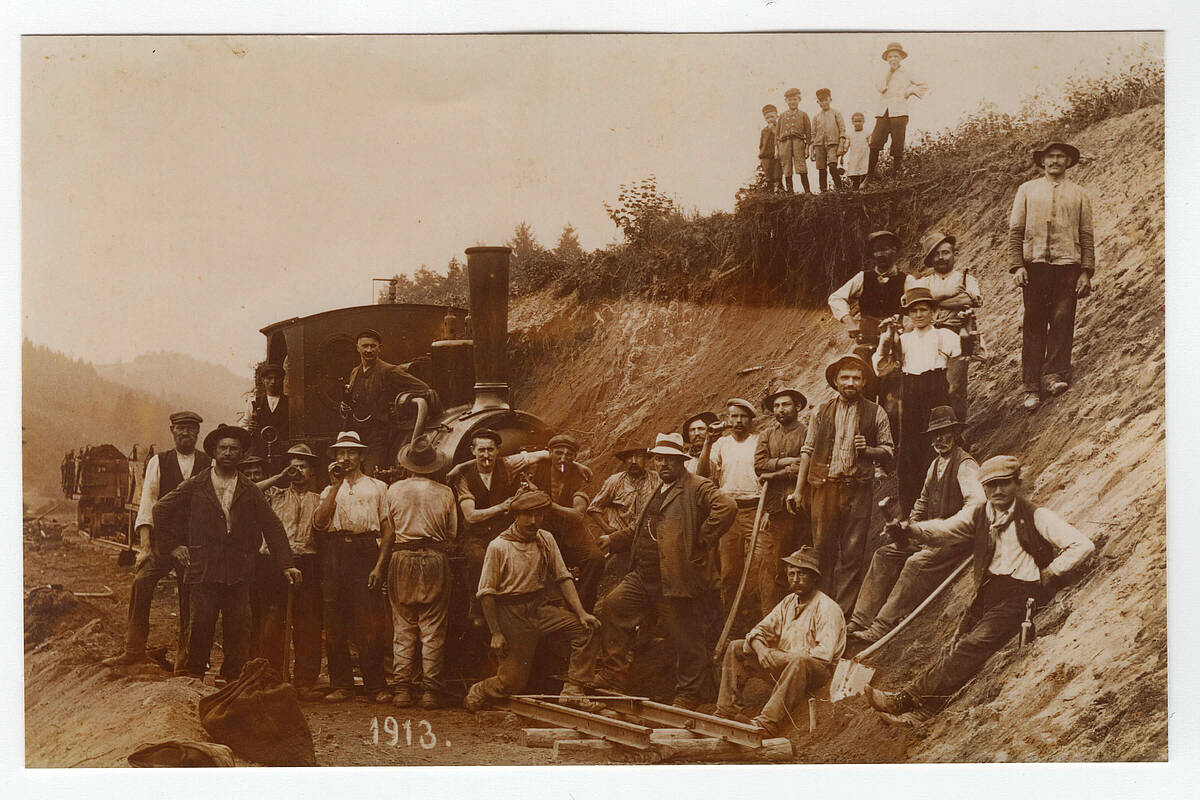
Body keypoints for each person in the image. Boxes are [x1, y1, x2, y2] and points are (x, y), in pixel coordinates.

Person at [866, 455, 1094, 723]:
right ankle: (923, 713)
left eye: (1004, 484)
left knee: (972, 645)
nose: (998, 491)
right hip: (988, 590)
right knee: (957, 644)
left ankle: (904, 699)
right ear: (983, 488)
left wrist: (1051, 572)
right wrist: (911, 530)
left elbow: (1082, 545)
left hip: (1023, 594)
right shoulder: (980, 514)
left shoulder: (1036, 515)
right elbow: (944, 530)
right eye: (991, 485)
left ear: (1016, 483)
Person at [593, 433, 736, 708]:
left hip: (675, 578)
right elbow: (640, 526)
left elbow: (727, 507)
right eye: (659, 459)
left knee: (685, 634)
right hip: (643, 575)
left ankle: (689, 692)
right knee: (613, 605)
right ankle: (614, 674)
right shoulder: (658, 490)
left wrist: (701, 538)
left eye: (670, 460)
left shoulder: (696, 486)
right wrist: (614, 539)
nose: (663, 465)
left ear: (681, 462)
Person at [152, 424, 300, 683]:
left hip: (239, 572)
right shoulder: (196, 484)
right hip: (204, 570)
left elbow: (272, 525)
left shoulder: (249, 489)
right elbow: (161, 510)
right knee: (200, 626)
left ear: (241, 454)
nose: (228, 453)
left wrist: (286, 563)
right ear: (213, 452)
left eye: (234, 449)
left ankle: (232, 679)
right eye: (223, 448)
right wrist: (173, 546)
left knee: (238, 628)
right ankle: (193, 677)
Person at [847, 407, 983, 644]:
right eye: (935, 435)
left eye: (945, 433)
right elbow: (922, 502)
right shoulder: (936, 464)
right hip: (930, 536)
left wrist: (938, 530)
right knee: (885, 554)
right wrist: (908, 526)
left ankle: (881, 626)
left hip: (957, 539)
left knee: (915, 563)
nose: (940, 439)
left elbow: (976, 508)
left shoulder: (965, 465)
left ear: (956, 433)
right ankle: (859, 620)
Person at [464, 491, 604, 713]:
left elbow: (562, 577)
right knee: (512, 683)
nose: (533, 521)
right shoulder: (499, 546)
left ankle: (573, 691)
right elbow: (486, 594)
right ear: (515, 516)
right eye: (527, 516)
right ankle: (481, 689)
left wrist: (581, 612)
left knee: (586, 630)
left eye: (538, 516)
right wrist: (496, 633)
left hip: (539, 608)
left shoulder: (545, 538)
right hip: (511, 613)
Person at [786, 354, 894, 616]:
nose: (850, 382)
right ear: (835, 381)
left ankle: (840, 614)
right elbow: (807, 450)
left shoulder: (875, 411)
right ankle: (817, 610)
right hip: (824, 490)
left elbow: (889, 451)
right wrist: (799, 490)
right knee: (822, 550)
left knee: (852, 554)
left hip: (858, 490)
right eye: (845, 377)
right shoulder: (821, 411)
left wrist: (868, 450)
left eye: (856, 378)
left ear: (864, 382)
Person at [103, 411, 211, 668]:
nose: (186, 434)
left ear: (197, 433)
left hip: (195, 546)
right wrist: (146, 547)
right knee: (141, 582)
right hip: (164, 543)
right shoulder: (159, 462)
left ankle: (186, 662)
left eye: (191, 429)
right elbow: (148, 504)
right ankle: (134, 650)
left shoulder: (209, 463)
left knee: (191, 600)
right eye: (181, 429)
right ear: (172, 431)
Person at [715, 547, 845, 736]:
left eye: (802, 574)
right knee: (736, 647)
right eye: (791, 573)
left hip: (816, 673)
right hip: (786, 666)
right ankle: (726, 711)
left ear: (815, 578)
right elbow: (758, 631)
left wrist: (778, 655)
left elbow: (823, 656)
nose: (795, 578)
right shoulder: (788, 602)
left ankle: (767, 722)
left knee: (799, 661)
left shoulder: (826, 607)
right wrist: (761, 651)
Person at [1008, 141, 1095, 411]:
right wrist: (1017, 266)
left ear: (1068, 162)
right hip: (1035, 267)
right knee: (1034, 324)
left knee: (1062, 319)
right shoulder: (1027, 190)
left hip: (1067, 266)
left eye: (1061, 157)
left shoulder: (1080, 194)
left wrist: (1086, 272)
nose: (1055, 161)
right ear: (1042, 161)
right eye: (1050, 157)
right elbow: (1016, 231)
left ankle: (1055, 375)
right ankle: (1031, 386)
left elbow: (1086, 235)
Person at [312, 430, 394, 703]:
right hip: (335, 552)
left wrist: (379, 567)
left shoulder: (378, 487)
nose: (346, 458)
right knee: (334, 622)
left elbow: (387, 529)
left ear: (361, 456)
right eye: (341, 453)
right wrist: (334, 485)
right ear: (335, 458)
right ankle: (343, 685)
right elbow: (320, 523)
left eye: (351, 452)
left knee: (369, 622)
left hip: (366, 550)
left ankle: (376, 686)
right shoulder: (327, 490)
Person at [450, 429, 562, 626]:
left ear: (497, 451)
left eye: (491, 450)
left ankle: (546, 598)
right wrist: (502, 507)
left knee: (537, 544)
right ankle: (478, 608)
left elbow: (546, 454)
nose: (486, 455)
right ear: (472, 450)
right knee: (477, 559)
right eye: (481, 450)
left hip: (504, 528)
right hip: (477, 534)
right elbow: (471, 516)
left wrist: (577, 467)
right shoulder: (465, 478)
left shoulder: (508, 464)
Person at [244, 444, 325, 696]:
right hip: (273, 563)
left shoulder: (320, 499)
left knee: (308, 623)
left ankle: (304, 682)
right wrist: (280, 476)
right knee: (272, 620)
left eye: (302, 466)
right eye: (293, 466)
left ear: (311, 472)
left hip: (307, 562)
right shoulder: (273, 495)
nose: (298, 471)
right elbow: (247, 491)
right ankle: (271, 678)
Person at [874, 286, 961, 515]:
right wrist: (885, 340)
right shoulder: (901, 340)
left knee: (939, 444)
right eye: (914, 311)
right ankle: (910, 510)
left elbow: (969, 357)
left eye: (924, 309)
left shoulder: (946, 336)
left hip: (937, 390)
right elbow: (880, 366)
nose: (919, 314)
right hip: (910, 393)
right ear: (908, 315)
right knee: (910, 450)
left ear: (933, 311)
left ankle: (943, 508)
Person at [385, 436, 456, 710]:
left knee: (403, 627)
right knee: (433, 629)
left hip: (402, 558)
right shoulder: (446, 493)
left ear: (409, 464)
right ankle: (430, 693)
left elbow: (389, 527)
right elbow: (452, 533)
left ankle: (402, 690)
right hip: (435, 560)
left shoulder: (393, 490)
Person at [828, 230, 907, 429]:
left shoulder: (907, 281)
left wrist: (903, 322)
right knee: (864, 401)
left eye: (885, 249)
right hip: (865, 349)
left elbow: (921, 303)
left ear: (895, 251)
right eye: (876, 251)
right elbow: (836, 298)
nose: (880, 255)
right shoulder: (863, 277)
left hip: (893, 352)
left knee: (893, 405)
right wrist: (850, 322)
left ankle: (889, 450)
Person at [697, 399, 763, 625]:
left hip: (756, 509)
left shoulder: (759, 441)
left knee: (756, 571)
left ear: (751, 420)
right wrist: (707, 442)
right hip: (730, 513)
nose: (738, 421)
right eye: (734, 416)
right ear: (727, 419)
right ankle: (732, 623)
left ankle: (756, 622)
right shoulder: (720, 445)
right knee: (729, 572)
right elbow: (703, 473)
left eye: (743, 417)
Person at [907, 231, 983, 422]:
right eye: (936, 254)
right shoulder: (922, 282)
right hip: (928, 337)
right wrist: (951, 298)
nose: (941, 258)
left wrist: (933, 300)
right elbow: (913, 302)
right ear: (930, 259)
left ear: (954, 254)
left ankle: (957, 431)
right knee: (927, 384)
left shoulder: (965, 278)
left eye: (945, 252)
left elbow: (969, 299)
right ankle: (935, 433)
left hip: (959, 335)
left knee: (955, 386)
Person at [340, 329, 435, 472]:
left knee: (372, 476)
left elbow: (423, 388)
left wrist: (401, 400)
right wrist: (344, 408)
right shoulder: (355, 372)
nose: (369, 350)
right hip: (356, 435)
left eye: (373, 346)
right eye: (365, 346)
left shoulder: (389, 371)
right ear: (357, 348)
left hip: (378, 436)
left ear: (379, 348)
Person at [754, 388, 810, 615]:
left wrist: (775, 472)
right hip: (776, 510)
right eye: (776, 406)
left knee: (802, 563)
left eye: (785, 405)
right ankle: (774, 617)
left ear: (797, 406)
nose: (780, 410)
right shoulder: (766, 435)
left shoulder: (807, 432)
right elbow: (759, 465)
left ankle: (801, 615)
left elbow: (805, 466)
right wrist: (786, 461)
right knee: (776, 567)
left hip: (803, 508)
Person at [865, 41, 927, 184]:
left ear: (901, 58)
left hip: (900, 111)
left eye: (896, 56)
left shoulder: (907, 73)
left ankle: (896, 176)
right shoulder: (882, 74)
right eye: (890, 57)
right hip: (883, 112)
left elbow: (924, 85)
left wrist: (909, 91)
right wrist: (889, 73)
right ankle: (869, 176)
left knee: (897, 143)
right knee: (875, 142)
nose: (893, 59)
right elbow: (881, 88)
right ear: (887, 59)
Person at [587, 442, 658, 565]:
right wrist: (608, 529)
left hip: (647, 539)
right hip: (621, 541)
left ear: (646, 459)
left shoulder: (656, 479)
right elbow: (594, 508)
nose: (634, 461)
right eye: (629, 457)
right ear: (624, 461)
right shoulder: (614, 481)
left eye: (638, 456)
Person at [243, 362, 289, 463]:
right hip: (259, 452)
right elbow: (244, 424)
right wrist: (248, 428)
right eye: (269, 378)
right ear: (263, 380)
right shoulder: (254, 401)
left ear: (282, 380)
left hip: (282, 452)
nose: (273, 382)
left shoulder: (290, 403)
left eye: (277, 378)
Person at [776, 88, 812, 195]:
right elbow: (777, 134)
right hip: (784, 143)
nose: (792, 102)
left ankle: (807, 191)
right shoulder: (782, 116)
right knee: (787, 166)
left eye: (795, 99)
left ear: (799, 100)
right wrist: (777, 150)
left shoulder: (803, 115)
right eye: (790, 100)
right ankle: (790, 191)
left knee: (801, 165)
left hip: (798, 142)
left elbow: (808, 132)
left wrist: (807, 148)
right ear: (786, 101)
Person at [810, 88, 847, 192]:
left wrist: (841, 145)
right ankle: (823, 191)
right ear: (818, 102)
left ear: (830, 99)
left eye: (825, 99)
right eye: (820, 100)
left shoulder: (836, 113)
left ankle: (840, 189)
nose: (823, 102)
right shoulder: (816, 117)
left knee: (832, 166)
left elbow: (842, 129)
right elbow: (813, 134)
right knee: (822, 169)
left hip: (833, 144)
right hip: (819, 145)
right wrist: (812, 150)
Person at [759, 104, 783, 192]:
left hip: (777, 155)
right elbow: (762, 144)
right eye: (767, 117)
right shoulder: (764, 130)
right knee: (768, 177)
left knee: (777, 175)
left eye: (772, 116)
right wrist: (761, 154)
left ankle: (780, 192)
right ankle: (769, 194)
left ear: (777, 115)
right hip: (766, 155)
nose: (770, 119)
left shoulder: (779, 127)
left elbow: (780, 138)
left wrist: (773, 130)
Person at [844, 112, 871, 190]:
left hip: (864, 156)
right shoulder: (850, 134)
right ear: (852, 122)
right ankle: (855, 186)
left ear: (863, 122)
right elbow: (846, 145)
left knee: (864, 171)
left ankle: (863, 187)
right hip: (854, 156)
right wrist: (843, 151)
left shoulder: (866, 133)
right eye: (856, 121)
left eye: (860, 121)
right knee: (854, 172)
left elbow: (871, 143)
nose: (858, 123)